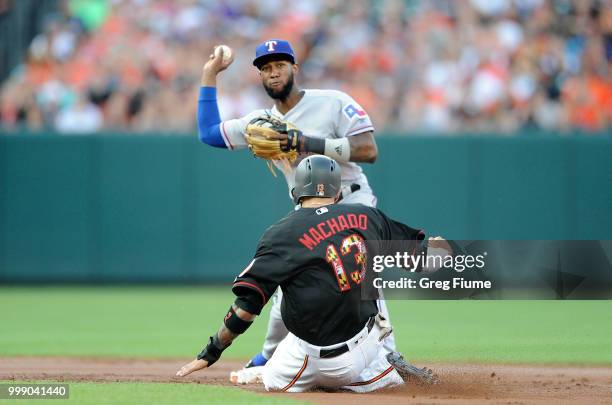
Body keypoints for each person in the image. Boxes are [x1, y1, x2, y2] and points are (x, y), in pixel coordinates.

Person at [196, 39, 397, 371]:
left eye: (279, 65)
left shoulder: (332, 102)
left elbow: (368, 149)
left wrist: (306, 142)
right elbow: (208, 133)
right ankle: (267, 358)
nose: (273, 73)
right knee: (284, 291)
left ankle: (390, 353)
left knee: (361, 276)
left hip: (353, 202)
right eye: (266, 68)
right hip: (308, 213)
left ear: (294, 68)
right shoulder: (261, 123)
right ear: (260, 76)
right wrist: (209, 73)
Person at [176, 155, 442, 392]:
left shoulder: (281, 235)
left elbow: (246, 308)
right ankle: (380, 370)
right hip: (366, 346)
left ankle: (267, 369)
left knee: (274, 373)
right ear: (337, 192)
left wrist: (212, 351)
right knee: (367, 278)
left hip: (313, 358)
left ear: (296, 191)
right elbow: (424, 260)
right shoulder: (368, 218)